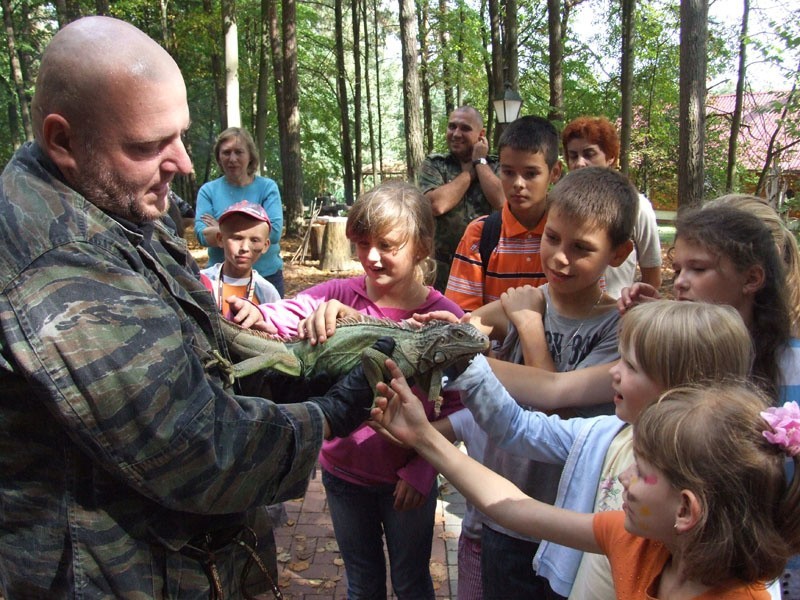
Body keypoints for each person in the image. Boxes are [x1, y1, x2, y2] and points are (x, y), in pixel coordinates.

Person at [0, 16, 394, 597]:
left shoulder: (118, 202)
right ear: (63, 141)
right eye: (148, 145)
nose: (184, 163)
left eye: (180, 135)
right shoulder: (53, 259)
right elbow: (190, 443)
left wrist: (301, 372)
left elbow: (202, 341)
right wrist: (329, 413)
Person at [373, 371, 799, 599]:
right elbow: (512, 506)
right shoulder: (644, 543)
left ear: (686, 510)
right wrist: (423, 437)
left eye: (640, 469)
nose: (624, 477)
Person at [446, 301, 752, 597]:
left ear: (680, 388)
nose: (613, 373)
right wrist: (465, 362)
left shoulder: (702, 486)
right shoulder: (607, 433)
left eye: (631, 366)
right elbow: (518, 428)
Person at [257, 181, 464, 599]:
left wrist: (423, 468)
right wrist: (254, 311)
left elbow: (463, 408)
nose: (371, 256)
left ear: (422, 247)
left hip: (408, 477)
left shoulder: (441, 318)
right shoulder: (336, 294)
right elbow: (286, 313)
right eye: (362, 243)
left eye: (387, 245)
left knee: (410, 582)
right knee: (362, 581)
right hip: (344, 472)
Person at [454, 166, 637, 599]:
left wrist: (529, 328)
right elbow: (461, 332)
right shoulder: (527, 301)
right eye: (552, 237)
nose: (559, 257)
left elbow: (557, 404)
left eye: (581, 248)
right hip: (508, 512)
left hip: (568, 518)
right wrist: (463, 335)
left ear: (618, 252)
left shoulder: (618, 330)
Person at [619, 204, 795, 402]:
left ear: (751, 279)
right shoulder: (677, 349)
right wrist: (651, 327)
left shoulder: (792, 365)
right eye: (677, 270)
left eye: (698, 269)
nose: (679, 282)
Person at [445, 115, 563, 310]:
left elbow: (587, 313)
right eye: (508, 172)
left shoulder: (568, 237)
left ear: (554, 172)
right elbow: (462, 319)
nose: (518, 183)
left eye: (531, 174)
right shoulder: (480, 235)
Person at [561, 116, 662, 297]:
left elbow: (652, 277)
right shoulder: (560, 207)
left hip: (617, 316)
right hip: (567, 315)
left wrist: (632, 310)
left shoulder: (638, 208)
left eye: (589, 154)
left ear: (610, 158)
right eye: (573, 156)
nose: (579, 163)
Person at [418, 106, 505, 292]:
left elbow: (503, 202)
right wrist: (469, 174)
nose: (456, 133)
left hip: (487, 266)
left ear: (481, 134)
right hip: (442, 269)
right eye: (452, 127)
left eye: (465, 128)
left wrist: (480, 163)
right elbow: (435, 205)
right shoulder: (436, 164)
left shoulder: (497, 166)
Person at [195, 127, 286, 297]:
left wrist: (223, 228)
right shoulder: (208, 191)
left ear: (250, 156)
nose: (232, 159)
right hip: (220, 280)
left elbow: (273, 233)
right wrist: (256, 231)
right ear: (218, 157)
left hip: (267, 276)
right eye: (226, 153)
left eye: (239, 152)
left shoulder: (267, 187)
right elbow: (202, 235)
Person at [199, 200, 280, 320]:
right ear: (220, 239)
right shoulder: (201, 282)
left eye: (254, 240)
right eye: (237, 238)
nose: (244, 248)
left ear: (265, 245)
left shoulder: (267, 292)